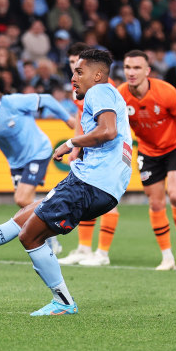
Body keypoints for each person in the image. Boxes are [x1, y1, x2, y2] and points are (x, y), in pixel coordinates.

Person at [0, 49, 132, 316]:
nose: (73, 78)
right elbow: (109, 136)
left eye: (79, 72)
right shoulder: (108, 94)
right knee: (20, 221)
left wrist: (70, 142)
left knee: (30, 235)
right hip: (93, 182)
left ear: (97, 75)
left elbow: (107, 131)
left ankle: (63, 301)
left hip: (90, 184)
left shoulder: (99, 92)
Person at [118, 50, 176, 270]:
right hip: (148, 152)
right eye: (127, 68)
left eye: (136, 68)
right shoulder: (120, 95)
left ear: (147, 71)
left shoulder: (165, 91)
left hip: (174, 147)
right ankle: (167, 257)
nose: (131, 72)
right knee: (155, 203)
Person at [0, 73, 75, 209]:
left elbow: (46, 99)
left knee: (21, 199)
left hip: (38, 152)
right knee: (25, 205)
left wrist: (68, 119)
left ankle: (60, 209)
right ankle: (51, 217)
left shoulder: (12, 103)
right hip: (16, 163)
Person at [58, 42, 121, 267]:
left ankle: (102, 253)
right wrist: (77, 148)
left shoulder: (103, 86)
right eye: (72, 62)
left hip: (108, 148)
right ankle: (84, 249)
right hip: (91, 145)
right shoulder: (80, 88)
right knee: (86, 197)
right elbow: (81, 116)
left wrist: (73, 144)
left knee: (106, 197)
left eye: (78, 63)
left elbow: (110, 126)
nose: (75, 68)